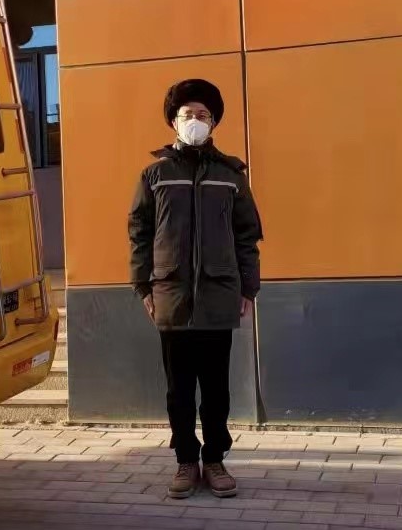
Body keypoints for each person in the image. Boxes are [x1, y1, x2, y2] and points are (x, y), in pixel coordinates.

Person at [128, 79, 262, 500]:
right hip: (171, 295)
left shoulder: (231, 175)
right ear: (173, 121)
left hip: (220, 295)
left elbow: (247, 235)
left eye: (203, 115)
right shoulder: (155, 175)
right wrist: (143, 286)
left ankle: (215, 459)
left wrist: (248, 288)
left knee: (217, 390)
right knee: (179, 390)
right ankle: (186, 460)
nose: (195, 121)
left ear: (214, 122)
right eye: (187, 114)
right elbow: (139, 233)